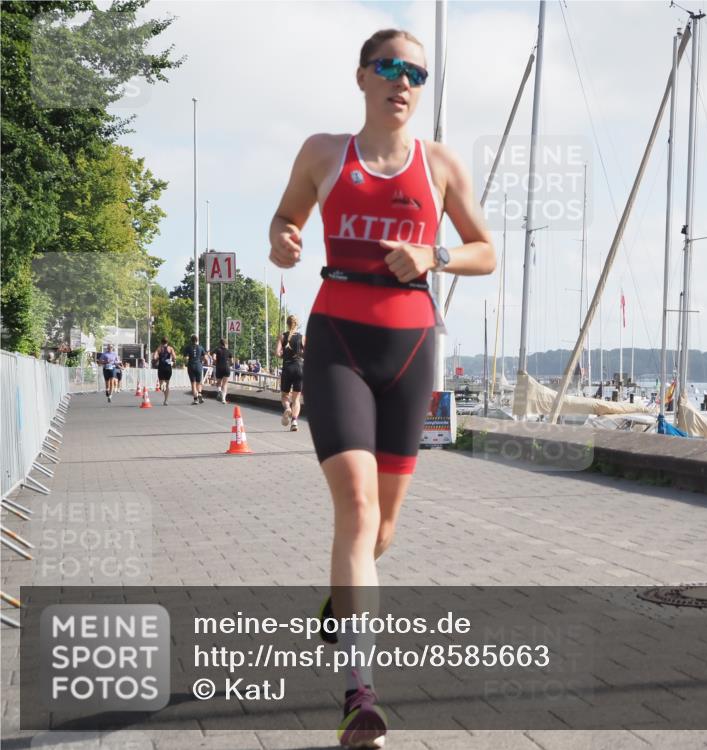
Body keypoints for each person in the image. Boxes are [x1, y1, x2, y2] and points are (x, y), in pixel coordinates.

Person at [269, 28, 494, 748]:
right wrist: (282, 240)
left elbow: (487, 252)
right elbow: (285, 219)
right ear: (362, 76)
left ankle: (344, 598)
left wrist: (435, 253)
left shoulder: (441, 166)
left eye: (416, 74)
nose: (403, 82)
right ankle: (360, 694)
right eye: (390, 67)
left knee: (383, 530)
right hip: (337, 340)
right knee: (358, 510)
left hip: (411, 350)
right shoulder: (323, 153)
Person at [275, 314, 305, 432]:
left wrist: (284, 354)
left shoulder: (282, 336)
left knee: (284, 395)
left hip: (287, 367)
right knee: (296, 399)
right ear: (297, 324)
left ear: (287, 324)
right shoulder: (302, 337)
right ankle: (294, 421)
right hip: (299, 368)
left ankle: (287, 408)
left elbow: (277, 353)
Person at [183, 334, 207, 405]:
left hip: (191, 366)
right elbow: (205, 358)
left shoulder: (188, 347)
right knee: (199, 382)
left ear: (191, 340)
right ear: (197, 340)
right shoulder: (201, 347)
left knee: (193, 383)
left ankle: (195, 399)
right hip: (199, 365)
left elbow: (185, 358)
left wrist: (186, 363)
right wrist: (202, 361)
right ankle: (199, 393)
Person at [152, 338, 176, 405]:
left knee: (161, 386)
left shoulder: (159, 348)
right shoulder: (170, 348)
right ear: (167, 342)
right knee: (167, 385)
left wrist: (157, 358)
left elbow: (154, 357)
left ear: (161, 342)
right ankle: (166, 401)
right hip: (168, 368)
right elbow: (174, 357)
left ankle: (163, 385)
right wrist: (173, 361)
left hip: (161, 367)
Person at [213, 339, 232, 404]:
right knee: (225, 384)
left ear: (220, 344)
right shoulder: (228, 351)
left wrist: (216, 362)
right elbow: (231, 361)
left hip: (219, 367)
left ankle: (219, 391)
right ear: (226, 344)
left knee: (219, 382)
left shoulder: (217, 350)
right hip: (226, 368)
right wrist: (229, 364)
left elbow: (213, 357)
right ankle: (223, 399)